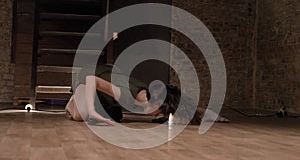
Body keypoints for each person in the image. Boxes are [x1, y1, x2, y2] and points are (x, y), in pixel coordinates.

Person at [65, 64, 229, 125]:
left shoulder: (149, 95)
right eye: (160, 112)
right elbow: (91, 79)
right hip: (88, 76)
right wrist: (92, 111)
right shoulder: (126, 94)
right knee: (82, 114)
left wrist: (215, 116)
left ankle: (99, 106)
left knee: (115, 115)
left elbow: (184, 105)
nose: (159, 115)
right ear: (155, 104)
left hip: (109, 76)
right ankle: (72, 102)